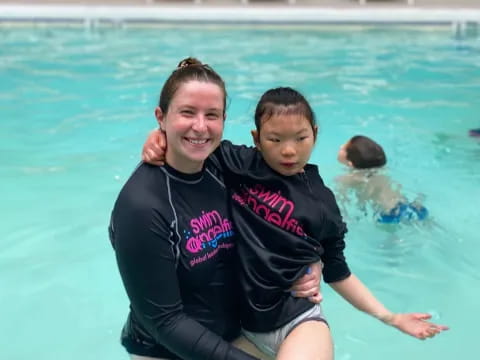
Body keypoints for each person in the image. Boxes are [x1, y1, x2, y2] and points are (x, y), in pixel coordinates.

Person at [143, 87, 449, 360]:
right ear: (256, 138)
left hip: (298, 322)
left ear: (315, 133)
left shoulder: (322, 203)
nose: (288, 150)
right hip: (240, 329)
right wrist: (159, 136)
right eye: (275, 139)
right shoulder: (237, 163)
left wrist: (390, 317)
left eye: (301, 138)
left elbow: (338, 271)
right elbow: (196, 141)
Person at [109, 58, 320, 360]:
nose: (200, 126)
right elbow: (164, 322)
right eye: (187, 113)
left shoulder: (225, 166)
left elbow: (299, 189)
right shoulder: (142, 206)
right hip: (169, 351)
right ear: (161, 116)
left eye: (212, 115)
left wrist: (314, 261)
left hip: (235, 335)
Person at [336, 135, 429, 224]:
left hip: (390, 215)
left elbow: (340, 205)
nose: (341, 146)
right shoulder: (381, 171)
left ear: (350, 163)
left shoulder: (349, 179)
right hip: (412, 207)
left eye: (344, 148)